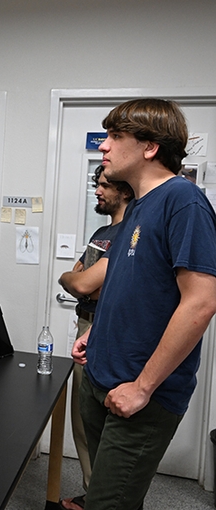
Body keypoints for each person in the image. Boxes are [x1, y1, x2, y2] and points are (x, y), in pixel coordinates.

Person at [72, 98, 216, 510]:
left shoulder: (183, 202)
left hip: (140, 398)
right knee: (103, 495)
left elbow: (202, 303)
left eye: (116, 137)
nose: (104, 146)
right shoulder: (136, 206)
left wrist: (142, 387)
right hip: (101, 380)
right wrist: (96, 333)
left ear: (149, 147)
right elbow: (129, 287)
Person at [58, 165, 134, 510]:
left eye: (104, 185)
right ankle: (93, 493)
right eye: (97, 184)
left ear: (124, 190)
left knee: (106, 420)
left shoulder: (131, 232)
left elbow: (84, 283)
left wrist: (80, 281)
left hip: (105, 329)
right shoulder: (103, 232)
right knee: (82, 417)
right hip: (84, 326)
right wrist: (76, 280)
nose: (98, 191)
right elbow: (75, 278)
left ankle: (105, 498)